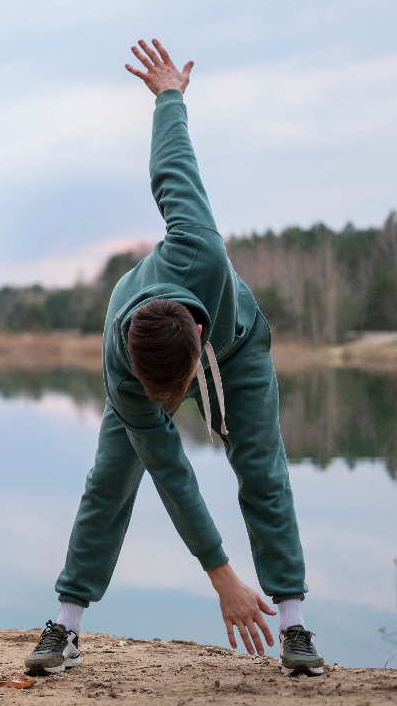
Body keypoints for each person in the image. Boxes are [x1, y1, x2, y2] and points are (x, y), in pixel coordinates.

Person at [24, 40, 324, 678]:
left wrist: (168, 98)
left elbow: (173, 169)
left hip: (239, 348)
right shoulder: (121, 366)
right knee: (110, 480)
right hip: (157, 361)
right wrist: (221, 577)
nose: (173, 406)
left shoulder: (200, 248)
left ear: (193, 347)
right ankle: (65, 624)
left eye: (178, 390)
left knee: (262, 468)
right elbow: (173, 475)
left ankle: (295, 623)